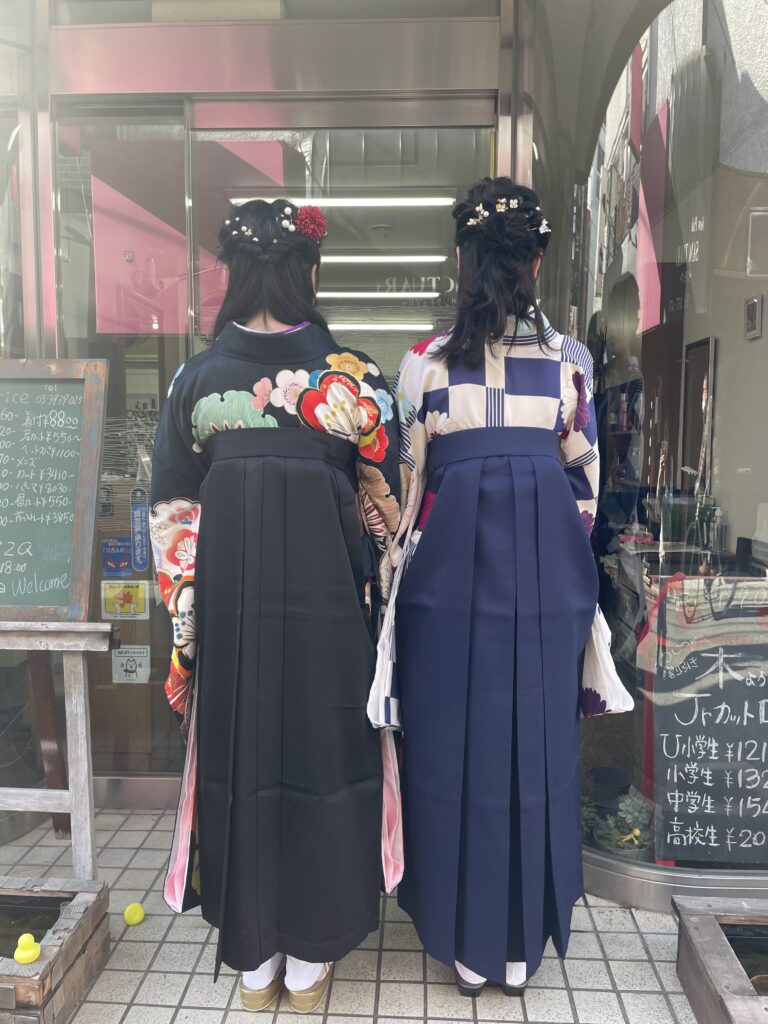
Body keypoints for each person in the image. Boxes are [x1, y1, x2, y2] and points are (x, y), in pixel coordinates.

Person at [150, 199, 400, 1013]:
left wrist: (190, 631)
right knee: (326, 765)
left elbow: (173, 515)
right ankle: (308, 959)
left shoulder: (194, 382)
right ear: (310, 274)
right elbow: (391, 508)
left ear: (232, 276)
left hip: (232, 620)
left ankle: (254, 963)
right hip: (332, 621)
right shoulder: (355, 380)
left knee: (240, 764)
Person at [382, 178, 599, 994]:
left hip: (446, 592)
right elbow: (585, 493)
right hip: (546, 587)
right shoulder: (570, 363)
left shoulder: (425, 364)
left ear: (461, 259)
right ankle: (517, 947)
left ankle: (465, 943)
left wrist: (398, 577)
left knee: (451, 752)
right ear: (536, 262)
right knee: (535, 755)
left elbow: (406, 494)